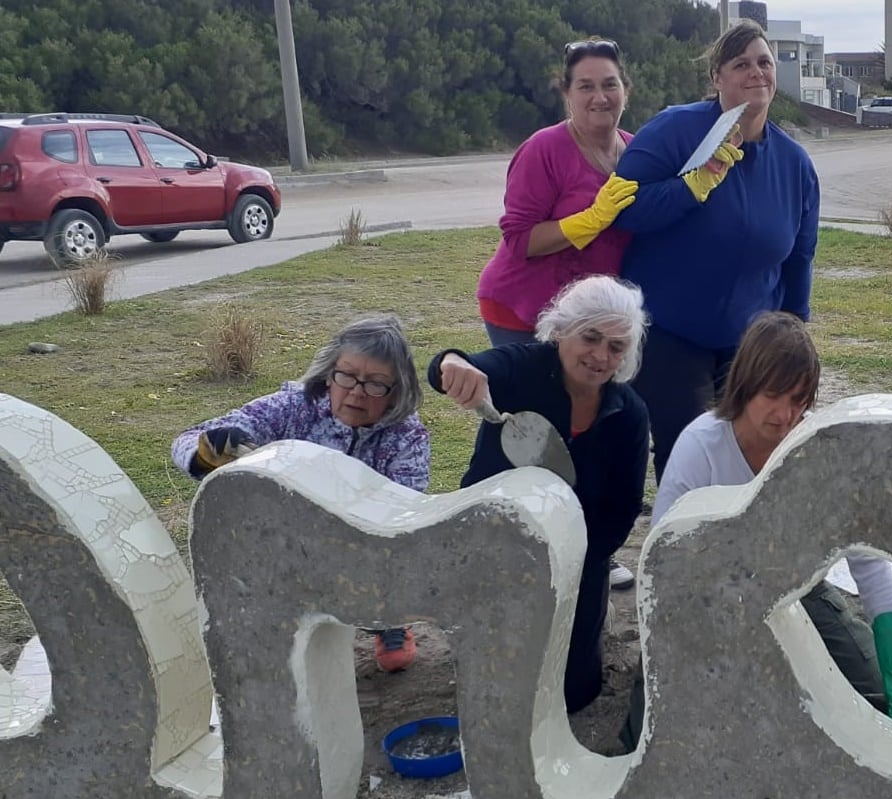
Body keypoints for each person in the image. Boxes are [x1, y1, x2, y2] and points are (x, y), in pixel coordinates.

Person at [621, 312, 892, 750]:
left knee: (878, 699)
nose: (786, 415)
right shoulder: (700, 446)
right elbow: (663, 562)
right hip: (709, 594)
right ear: (746, 385)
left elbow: (866, 558)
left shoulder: (819, 449)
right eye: (774, 396)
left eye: (800, 400)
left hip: (797, 585)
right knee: (656, 738)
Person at [429, 275, 649, 714]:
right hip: (495, 540)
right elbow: (456, 364)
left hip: (579, 555)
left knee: (573, 692)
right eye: (591, 337)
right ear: (562, 329)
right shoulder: (522, 367)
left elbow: (622, 510)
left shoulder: (629, 414)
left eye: (616, 346)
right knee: (500, 681)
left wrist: (571, 562)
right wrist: (453, 363)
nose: (601, 355)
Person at [612, 22, 821, 481]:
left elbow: (798, 258)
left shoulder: (794, 163)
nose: (756, 72)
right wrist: (693, 187)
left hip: (748, 342)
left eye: (764, 62)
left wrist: (794, 336)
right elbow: (625, 208)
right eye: (740, 64)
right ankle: (680, 540)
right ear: (717, 78)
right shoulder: (675, 130)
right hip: (669, 331)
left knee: (752, 448)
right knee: (690, 444)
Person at [474, 36, 642, 593]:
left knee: (588, 425)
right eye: (586, 86)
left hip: (592, 319)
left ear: (626, 89)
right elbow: (519, 238)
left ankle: (584, 542)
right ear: (566, 94)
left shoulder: (634, 151)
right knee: (532, 425)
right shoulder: (545, 149)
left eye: (609, 83)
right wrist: (585, 222)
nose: (600, 96)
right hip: (523, 307)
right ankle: (511, 542)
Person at [172, 314, 430, 672]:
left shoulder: (407, 437)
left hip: (364, 538)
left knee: (398, 558)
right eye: (347, 376)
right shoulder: (294, 406)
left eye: (375, 384)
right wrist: (206, 452)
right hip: (285, 537)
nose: (356, 392)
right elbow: (186, 440)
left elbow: (405, 509)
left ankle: (386, 621)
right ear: (329, 373)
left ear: (397, 391)